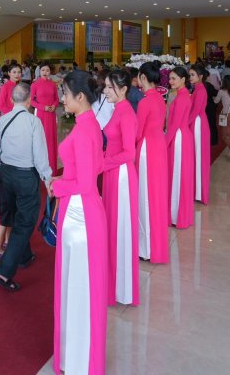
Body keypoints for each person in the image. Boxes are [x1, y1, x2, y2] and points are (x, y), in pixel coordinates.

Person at [50, 70, 108, 375]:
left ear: (80, 97)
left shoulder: (85, 129)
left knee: (78, 286)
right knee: (77, 285)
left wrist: (57, 186)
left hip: (80, 214)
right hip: (79, 209)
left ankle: (79, 359)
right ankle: (75, 355)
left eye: (65, 93)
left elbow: (85, 183)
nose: (62, 99)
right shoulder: (88, 123)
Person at [0, 82, 52, 292]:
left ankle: (24, 256)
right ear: (29, 100)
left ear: (11, 99)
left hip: (6, 174)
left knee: (16, 214)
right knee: (25, 222)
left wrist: (1, 165)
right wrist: (47, 178)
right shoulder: (34, 122)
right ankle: (4, 272)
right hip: (26, 176)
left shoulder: (3, 120)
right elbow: (40, 154)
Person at [101, 69, 139, 306]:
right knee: (113, 228)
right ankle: (112, 282)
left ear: (123, 89)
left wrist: (103, 163)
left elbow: (129, 153)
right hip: (112, 172)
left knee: (120, 230)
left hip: (121, 175)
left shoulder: (126, 112)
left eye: (109, 87)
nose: (105, 91)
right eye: (105, 86)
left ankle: (121, 288)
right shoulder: (118, 108)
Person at [134, 61, 169, 264]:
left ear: (143, 78)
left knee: (144, 196)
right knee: (155, 194)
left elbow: (138, 132)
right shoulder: (160, 99)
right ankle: (154, 244)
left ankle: (145, 247)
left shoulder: (145, 102)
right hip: (159, 147)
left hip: (146, 149)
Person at [167, 67, 194, 229]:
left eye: (174, 78)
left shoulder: (182, 97)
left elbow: (175, 124)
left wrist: (164, 143)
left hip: (178, 138)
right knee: (178, 174)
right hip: (180, 136)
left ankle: (176, 215)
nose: (170, 81)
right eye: (170, 78)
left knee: (177, 175)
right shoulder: (181, 95)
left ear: (183, 79)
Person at [189, 64, 212, 205]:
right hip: (197, 122)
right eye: (190, 75)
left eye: (192, 75)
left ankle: (198, 192)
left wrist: (185, 124)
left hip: (197, 123)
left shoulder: (201, 90)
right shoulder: (197, 88)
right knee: (196, 156)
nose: (190, 77)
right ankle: (195, 190)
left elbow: (195, 111)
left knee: (198, 155)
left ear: (201, 76)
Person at [31, 63, 60, 173]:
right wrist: (43, 107)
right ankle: (41, 168)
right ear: (39, 71)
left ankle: (52, 166)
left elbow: (57, 99)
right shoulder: (35, 85)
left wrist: (54, 106)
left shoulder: (52, 84)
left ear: (50, 72)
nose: (45, 72)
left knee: (51, 139)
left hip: (51, 115)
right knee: (41, 139)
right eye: (43, 70)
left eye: (47, 70)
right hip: (40, 115)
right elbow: (31, 101)